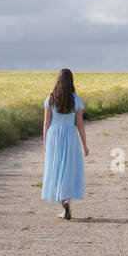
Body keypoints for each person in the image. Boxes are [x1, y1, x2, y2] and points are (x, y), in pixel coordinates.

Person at [42, 67, 89, 219]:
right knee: (68, 169)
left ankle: (64, 205)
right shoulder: (76, 99)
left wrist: (45, 142)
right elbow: (80, 124)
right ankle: (66, 200)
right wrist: (85, 145)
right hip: (70, 135)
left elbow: (46, 123)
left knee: (56, 169)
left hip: (54, 135)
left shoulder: (51, 99)